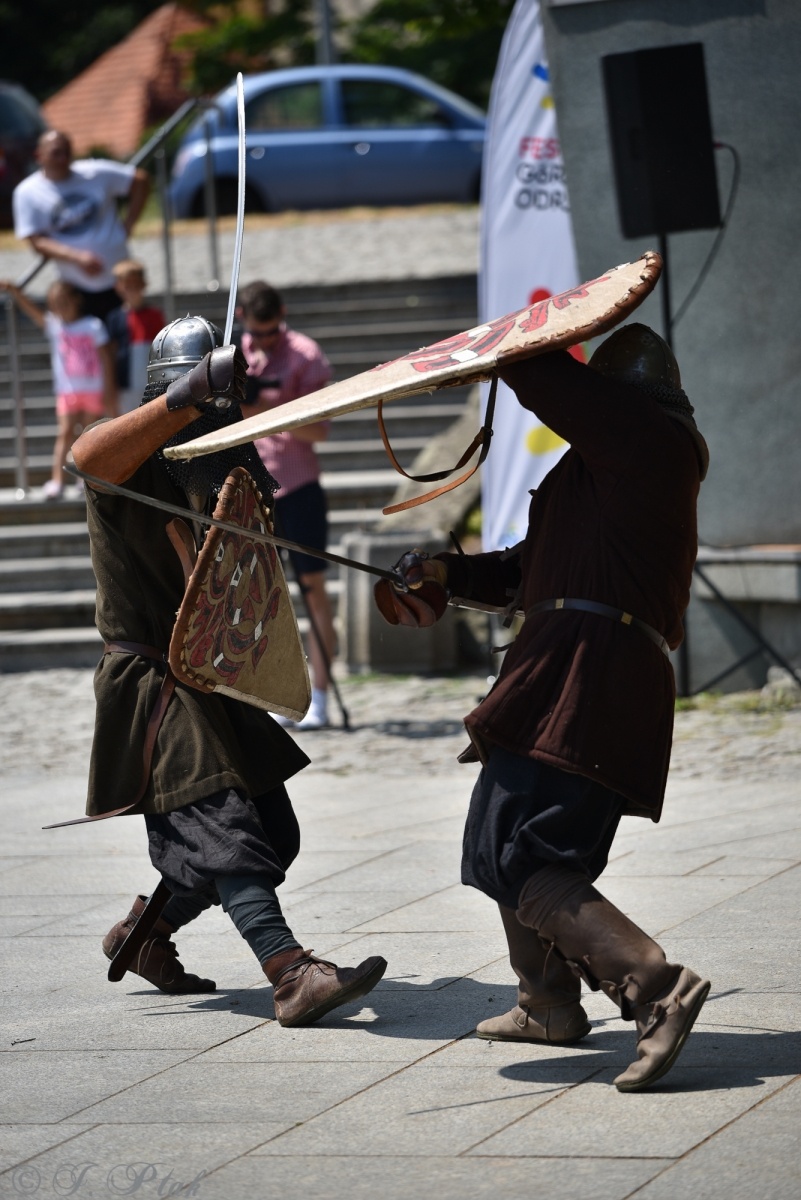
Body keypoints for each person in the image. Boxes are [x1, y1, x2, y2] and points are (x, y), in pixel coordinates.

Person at [374, 324, 711, 1092]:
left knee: (521, 852)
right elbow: (529, 572)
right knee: (510, 845)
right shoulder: (602, 472)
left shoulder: (650, 442)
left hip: (589, 671)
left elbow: (546, 380)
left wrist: (510, 338)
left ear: (618, 399)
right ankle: (547, 1003)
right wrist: (442, 574)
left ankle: (655, 989)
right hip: (567, 667)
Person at [69, 314, 386, 1026]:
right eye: (202, 400)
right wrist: (187, 397)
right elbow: (84, 458)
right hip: (152, 682)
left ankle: (146, 932)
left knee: (274, 830)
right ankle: (290, 973)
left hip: (206, 672)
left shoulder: (211, 466)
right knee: (224, 826)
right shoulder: (126, 458)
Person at [239, 281, 336, 730]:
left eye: (272, 331)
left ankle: (321, 697)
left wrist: (272, 407)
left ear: (283, 315)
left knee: (313, 592)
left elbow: (320, 432)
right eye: (256, 333)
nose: (264, 340)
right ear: (243, 320)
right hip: (253, 488)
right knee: (259, 597)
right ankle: (276, 694)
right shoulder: (236, 355)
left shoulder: (305, 355)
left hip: (297, 487)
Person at [12, 130, 150, 321]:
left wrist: (129, 224)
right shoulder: (27, 192)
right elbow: (36, 241)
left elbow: (140, 180)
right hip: (76, 289)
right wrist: (77, 258)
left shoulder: (94, 172)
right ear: (39, 155)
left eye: (67, 152)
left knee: (127, 335)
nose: (63, 158)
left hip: (120, 283)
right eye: (56, 152)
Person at [0, 278, 116, 499]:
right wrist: (15, 291)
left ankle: (84, 478)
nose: (60, 307)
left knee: (87, 434)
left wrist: (109, 388)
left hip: (92, 388)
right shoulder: (55, 325)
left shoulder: (93, 325)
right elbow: (31, 310)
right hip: (67, 390)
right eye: (55, 303)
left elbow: (106, 358)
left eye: (64, 301)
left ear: (76, 300)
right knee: (65, 432)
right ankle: (57, 479)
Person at [106, 259, 165, 413]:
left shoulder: (155, 315)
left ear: (143, 284)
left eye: (135, 285)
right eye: (127, 285)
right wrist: (110, 387)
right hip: (125, 385)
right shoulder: (115, 318)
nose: (132, 290)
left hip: (152, 383)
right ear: (118, 287)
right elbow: (111, 354)